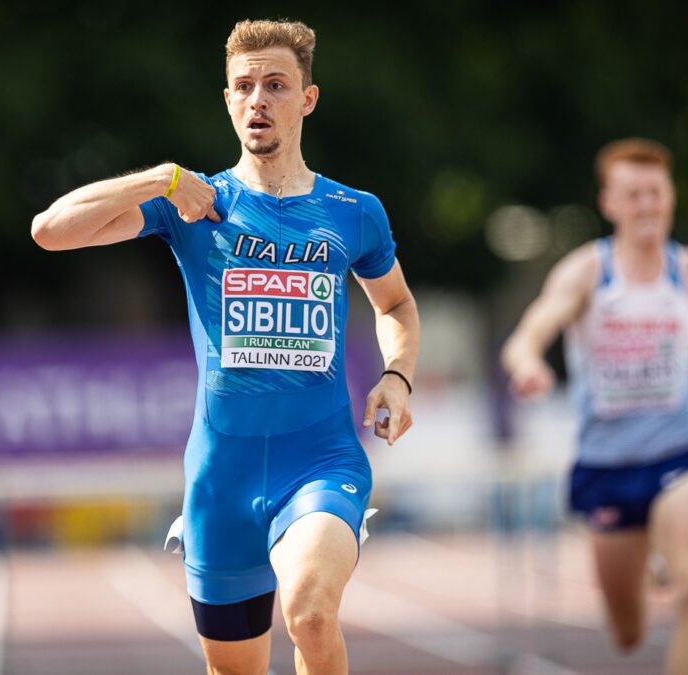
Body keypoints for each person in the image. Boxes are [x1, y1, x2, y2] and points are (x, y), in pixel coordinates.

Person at [32, 19, 419, 675]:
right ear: (228, 99)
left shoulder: (354, 210)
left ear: (308, 98)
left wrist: (398, 375)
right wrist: (157, 179)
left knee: (311, 612)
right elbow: (50, 230)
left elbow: (396, 304)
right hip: (220, 477)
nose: (258, 100)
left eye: (275, 84)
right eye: (244, 86)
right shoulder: (194, 203)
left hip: (319, 461)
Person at [501, 138, 688, 674]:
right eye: (633, 195)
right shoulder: (588, 272)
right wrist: (530, 364)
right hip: (606, 465)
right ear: (610, 204)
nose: (646, 205)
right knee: (627, 632)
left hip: (678, 449)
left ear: (670, 196)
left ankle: (671, 562)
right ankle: (646, 562)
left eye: (655, 193)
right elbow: (528, 333)